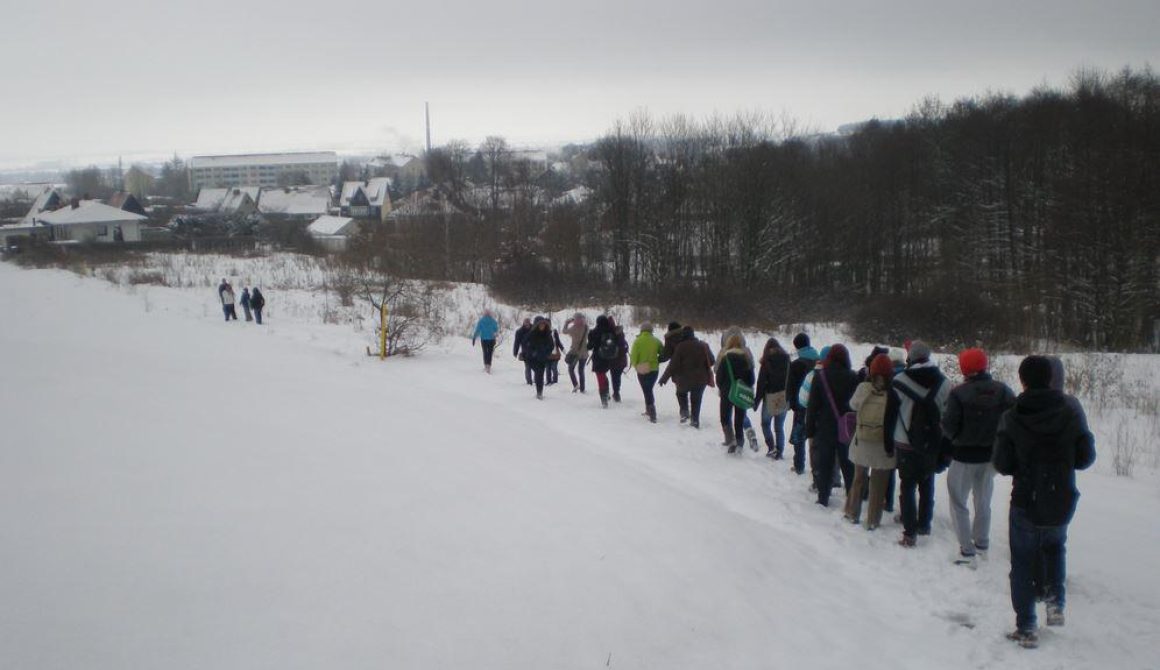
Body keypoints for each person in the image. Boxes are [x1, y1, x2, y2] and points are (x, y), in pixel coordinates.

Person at [993, 355, 1095, 649]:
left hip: (1025, 497)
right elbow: (1086, 457)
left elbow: (1002, 463)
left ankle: (1026, 627)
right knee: (1054, 548)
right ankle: (1055, 603)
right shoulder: (1071, 411)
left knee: (1023, 561)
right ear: (1051, 378)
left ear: (1023, 380)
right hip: (1061, 495)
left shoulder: (1012, 415)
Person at [941, 347, 1016, 565]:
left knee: (958, 501)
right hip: (991, 456)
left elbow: (948, 425)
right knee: (983, 501)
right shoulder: (1003, 390)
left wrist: (954, 437)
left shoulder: (958, 393)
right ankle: (982, 544)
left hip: (963, 456)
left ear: (964, 368)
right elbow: (1012, 419)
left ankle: (966, 550)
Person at [886, 340, 950, 547]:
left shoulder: (899, 381)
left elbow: (890, 415)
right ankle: (924, 523)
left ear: (910, 357)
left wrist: (888, 442)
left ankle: (909, 531)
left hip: (905, 442)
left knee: (907, 486)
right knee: (927, 482)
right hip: (932, 442)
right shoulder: (944, 382)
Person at [845, 353, 896, 529]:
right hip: (883, 443)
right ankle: (873, 521)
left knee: (858, 479)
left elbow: (852, 405)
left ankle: (852, 512)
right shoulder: (894, 391)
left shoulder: (863, 388)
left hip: (863, 441)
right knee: (878, 484)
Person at [806, 344, 859, 506]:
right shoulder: (853, 377)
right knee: (848, 464)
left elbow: (813, 405)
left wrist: (810, 429)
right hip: (847, 427)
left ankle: (823, 497)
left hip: (825, 427)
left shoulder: (821, 377)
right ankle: (852, 498)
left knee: (825, 463)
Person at [658, 326, 714, 428]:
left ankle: (684, 412)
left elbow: (673, 365)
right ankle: (695, 420)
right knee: (696, 399)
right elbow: (712, 361)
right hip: (700, 379)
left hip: (684, 379)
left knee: (681, 393)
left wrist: (664, 378)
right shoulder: (703, 346)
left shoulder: (680, 347)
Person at [719, 326, 759, 447]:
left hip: (727, 392)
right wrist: (745, 386)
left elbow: (719, 377)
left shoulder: (725, 358)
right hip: (741, 392)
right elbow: (751, 379)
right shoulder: (746, 358)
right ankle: (740, 441)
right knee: (739, 418)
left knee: (725, 417)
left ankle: (730, 440)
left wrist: (723, 388)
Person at [786, 333, 820, 475]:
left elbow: (791, 387)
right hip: (818, 405)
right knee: (815, 438)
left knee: (799, 437)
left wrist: (792, 404)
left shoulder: (797, 364)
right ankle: (817, 469)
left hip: (801, 405)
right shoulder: (819, 361)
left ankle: (799, 465)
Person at [753, 338, 791, 459]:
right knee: (779, 426)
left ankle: (771, 447)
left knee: (765, 423)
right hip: (783, 396)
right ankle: (779, 450)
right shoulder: (787, 361)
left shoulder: (767, 361)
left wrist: (756, 402)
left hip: (770, 397)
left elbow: (761, 383)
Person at [629, 322, 663, 423]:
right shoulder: (656, 341)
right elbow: (662, 353)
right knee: (648, 389)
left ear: (641, 330)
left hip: (642, 368)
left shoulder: (637, 341)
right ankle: (649, 409)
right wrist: (656, 361)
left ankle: (651, 411)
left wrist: (635, 365)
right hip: (654, 369)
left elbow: (633, 356)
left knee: (646, 390)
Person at [587, 315, 620, 408]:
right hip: (610, 358)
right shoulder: (612, 331)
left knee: (600, 376)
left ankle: (604, 399)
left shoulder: (594, 332)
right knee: (604, 375)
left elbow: (589, 346)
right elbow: (617, 343)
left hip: (598, 358)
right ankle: (607, 392)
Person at [521, 318, 557, 399]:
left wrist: (547, 353)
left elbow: (551, 345)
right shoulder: (532, 333)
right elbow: (524, 343)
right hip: (532, 358)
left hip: (543, 358)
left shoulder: (548, 334)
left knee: (540, 375)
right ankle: (539, 392)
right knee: (538, 373)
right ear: (537, 325)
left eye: (543, 325)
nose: (542, 326)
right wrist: (531, 352)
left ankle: (539, 392)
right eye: (540, 325)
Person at [562, 313, 590, 393]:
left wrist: (567, 323)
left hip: (575, 352)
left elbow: (564, 331)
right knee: (581, 371)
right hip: (584, 352)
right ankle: (582, 389)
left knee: (571, 369)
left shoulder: (573, 328)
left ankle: (575, 385)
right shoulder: (586, 328)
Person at [608, 318, 630, 402]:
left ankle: (616, 393)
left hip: (613, 360)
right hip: (621, 360)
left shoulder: (609, 334)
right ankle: (616, 392)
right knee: (617, 377)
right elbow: (624, 347)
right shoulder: (620, 333)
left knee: (614, 377)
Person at [512, 318, 534, 385]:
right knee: (528, 367)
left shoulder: (534, 329)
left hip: (535, 351)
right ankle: (529, 381)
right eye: (525, 323)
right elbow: (517, 342)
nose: (527, 324)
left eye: (528, 322)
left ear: (530, 322)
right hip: (525, 352)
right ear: (523, 323)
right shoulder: (519, 331)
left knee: (537, 367)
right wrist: (515, 351)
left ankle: (536, 379)